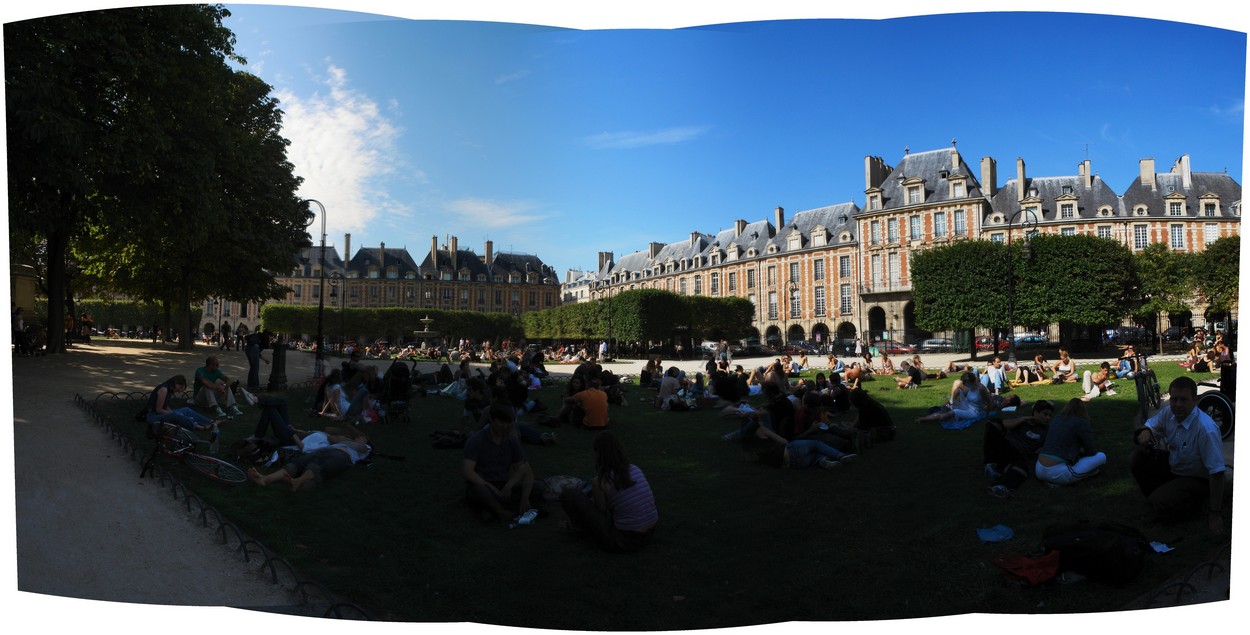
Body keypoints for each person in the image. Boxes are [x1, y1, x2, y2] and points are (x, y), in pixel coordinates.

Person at [1131, 376, 1227, 535]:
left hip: (1196, 478)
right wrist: (1145, 432)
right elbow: (1150, 425)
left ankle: (1192, 504)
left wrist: (1214, 513)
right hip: (1175, 467)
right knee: (1138, 457)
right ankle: (1159, 498)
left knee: (1161, 502)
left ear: (1195, 400)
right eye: (1174, 399)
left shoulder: (1205, 429)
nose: (1177, 405)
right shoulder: (1168, 413)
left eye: (1183, 400)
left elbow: (1217, 473)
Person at [559, 431, 658, 552]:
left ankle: (576, 529)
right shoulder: (635, 468)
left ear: (599, 454)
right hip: (650, 533)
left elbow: (601, 513)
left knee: (569, 494)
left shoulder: (601, 481)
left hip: (623, 541)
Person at [462, 402, 542, 524]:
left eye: (509, 422)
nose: (505, 426)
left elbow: (522, 468)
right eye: (501, 422)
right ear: (491, 420)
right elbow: (468, 472)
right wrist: (492, 488)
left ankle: (491, 510)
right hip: (483, 484)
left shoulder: (511, 440)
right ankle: (502, 512)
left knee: (537, 487)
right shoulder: (476, 440)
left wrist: (510, 486)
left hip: (503, 485)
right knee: (479, 491)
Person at [247, 430, 371, 492]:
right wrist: (345, 436)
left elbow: (361, 446)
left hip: (342, 456)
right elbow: (331, 435)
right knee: (298, 462)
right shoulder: (343, 440)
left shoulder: (365, 448)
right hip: (325, 450)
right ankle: (265, 479)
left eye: (362, 438)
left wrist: (361, 441)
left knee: (317, 467)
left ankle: (297, 482)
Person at [984, 400, 1054, 498]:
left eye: (1050, 416)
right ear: (1035, 412)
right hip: (1006, 447)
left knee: (1022, 470)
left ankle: (1002, 487)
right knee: (993, 423)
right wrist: (1024, 419)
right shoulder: (1022, 422)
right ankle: (990, 464)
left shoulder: (1046, 430)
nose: (1048, 418)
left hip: (1020, 455)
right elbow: (1002, 424)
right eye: (1045, 414)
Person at [1034, 399, 1106, 486]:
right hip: (1057, 473)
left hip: (1038, 469)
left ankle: (1050, 480)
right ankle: (1057, 481)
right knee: (1101, 456)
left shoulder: (1057, 418)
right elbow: (1091, 451)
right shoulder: (1082, 422)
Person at [914, 372, 990, 429]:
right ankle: (932, 415)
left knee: (952, 412)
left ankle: (924, 419)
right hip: (967, 405)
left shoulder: (981, 388)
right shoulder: (969, 387)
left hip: (974, 412)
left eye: (965, 383)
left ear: (970, 382)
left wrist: (986, 414)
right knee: (948, 404)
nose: (964, 385)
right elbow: (963, 392)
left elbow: (989, 402)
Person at [146, 374, 219, 431]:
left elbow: (165, 406)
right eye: (180, 388)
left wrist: (171, 412)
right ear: (175, 383)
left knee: (186, 410)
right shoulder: (164, 390)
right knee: (176, 414)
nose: (179, 391)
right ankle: (199, 426)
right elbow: (159, 410)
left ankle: (209, 422)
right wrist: (173, 413)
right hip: (153, 416)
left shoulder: (169, 390)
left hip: (160, 414)